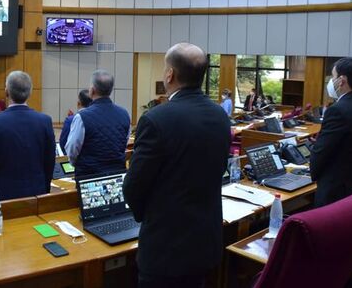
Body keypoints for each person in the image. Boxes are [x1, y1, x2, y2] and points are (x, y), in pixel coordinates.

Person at [123, 43, 230, 288]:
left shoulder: (156, 119)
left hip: (166, 247)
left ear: (170, 74)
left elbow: (134, 187)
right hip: (205, 242)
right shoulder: (219, 115)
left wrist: (146, 216)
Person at [310, 57, 352, 207]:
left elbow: (322, 153)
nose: (331, 81)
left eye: (333, 76)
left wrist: (311, 172)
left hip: (336, 190)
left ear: (341, 80)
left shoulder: (337, 110)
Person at [0, 71, 56, 201]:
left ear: (6, 92)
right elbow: (49, 161)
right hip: (37, 192)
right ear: (30, 92)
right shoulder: (45, 121)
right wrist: (45, 188)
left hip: (2, 195)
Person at [65, 70, 131, 177]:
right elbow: (124, 143)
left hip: (89, 176)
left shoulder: (82, 117)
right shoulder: (124, 114)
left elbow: (72, 149)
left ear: (92, 90)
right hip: (117, 174)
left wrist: (78, 164)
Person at [59, 89, 92, 155]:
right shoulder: (98, 119)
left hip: (75, 161)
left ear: (78, 103)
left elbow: (63, 144)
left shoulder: (70, 120)